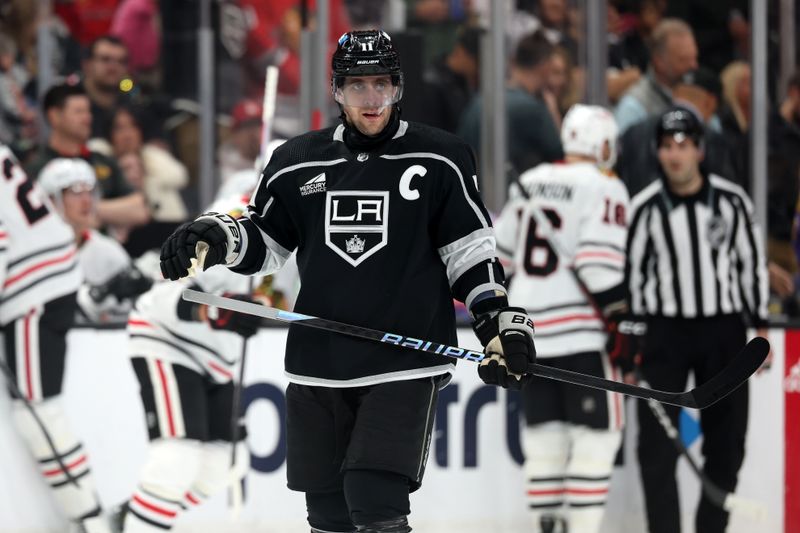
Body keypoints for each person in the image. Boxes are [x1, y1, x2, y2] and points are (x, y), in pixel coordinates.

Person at [159, 29, 537, 532]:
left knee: (375, 502)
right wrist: (219, 236)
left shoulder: (441, 157)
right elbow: (267, 243)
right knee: (329, 518)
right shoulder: (297, 161)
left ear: (399, 87)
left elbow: (469, 253)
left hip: (403, 360)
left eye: (383, 83)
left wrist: (496, 322)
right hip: (319, 365)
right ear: (337, 90)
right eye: (359, 85)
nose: (373, 98)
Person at [625, 107, 769, 533]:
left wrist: (758, 324)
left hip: (723, 332)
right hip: (664, 335)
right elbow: (634, 277)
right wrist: (632, 345)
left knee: (726, 445)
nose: (675, 155)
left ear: (699, 150)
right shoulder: (645, 207)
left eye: (683, 145)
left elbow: (750, 264)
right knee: (656, 448)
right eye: (667, 146)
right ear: (658, 152)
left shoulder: (731, 202)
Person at [493, 105, 635, 533]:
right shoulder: (605, 185)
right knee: (596, 441)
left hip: (529, 335)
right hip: (582, 337)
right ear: (604, 145)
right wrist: (624, 319)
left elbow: (502, 257)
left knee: (544, 443)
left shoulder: (532, 181)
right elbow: (598, 267)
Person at [0, 144, 115, 532]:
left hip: (33, 287)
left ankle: (89, 518)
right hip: (51, 274)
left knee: (39, 413)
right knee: (40, 410)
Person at [37, 157, 152, 324]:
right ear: (51, 200)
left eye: (90, 191)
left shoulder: (108, 251)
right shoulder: (33, 252)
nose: (86, 200)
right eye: (75, 191)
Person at [26, 83, 150, 231]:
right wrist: (111, 212)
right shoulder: (35, 167)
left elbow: (140, 209)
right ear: (54, 116)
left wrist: (80, 208)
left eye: (88, 112)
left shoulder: (104, 161)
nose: (87, 118)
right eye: (79, 112)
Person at [614, 18, 698, 134]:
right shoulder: (634, 106)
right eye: (683, 60)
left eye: (694, 58)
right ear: (659, 62)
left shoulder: (698, 94)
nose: (694, 66)